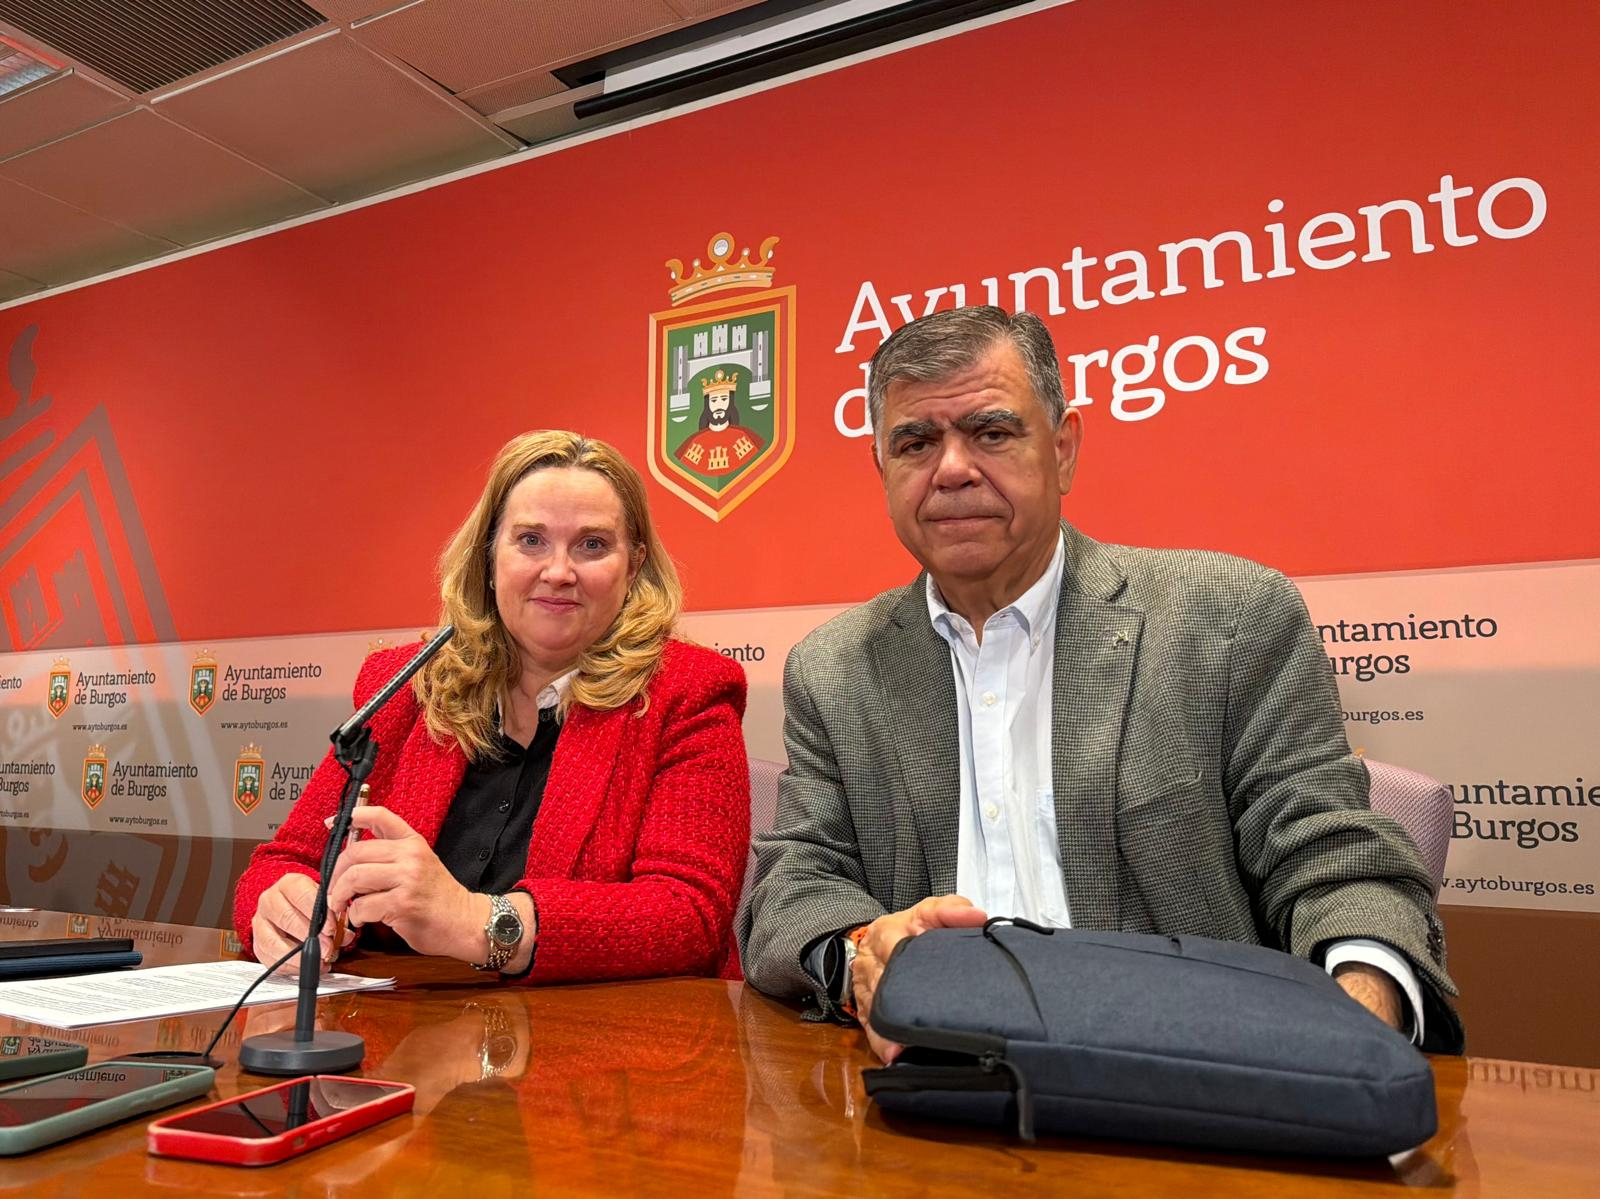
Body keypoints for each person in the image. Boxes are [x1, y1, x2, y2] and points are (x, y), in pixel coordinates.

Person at [737, 306, 1462, 1058]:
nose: (951, 469)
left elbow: (1331, 853)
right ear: (882, 469)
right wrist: (865, 956)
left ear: (1063, 449)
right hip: (934, 1071)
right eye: (915, 442)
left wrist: (1357, 1019)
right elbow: (798, 883)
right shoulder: (833, 667)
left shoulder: (1231, 616)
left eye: (991, 432)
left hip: (1184, 1071)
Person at [235, 430, 751, 982]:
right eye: (530, 540)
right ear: (489, 555)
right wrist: (283, 908)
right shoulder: (405, 683)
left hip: (601, 1027)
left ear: (634, 565)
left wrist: (477, 922)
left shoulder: (687, 691)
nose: (558, 571)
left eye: (592, 545)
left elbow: (690, 914)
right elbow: (287, 861)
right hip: (399, 1020)